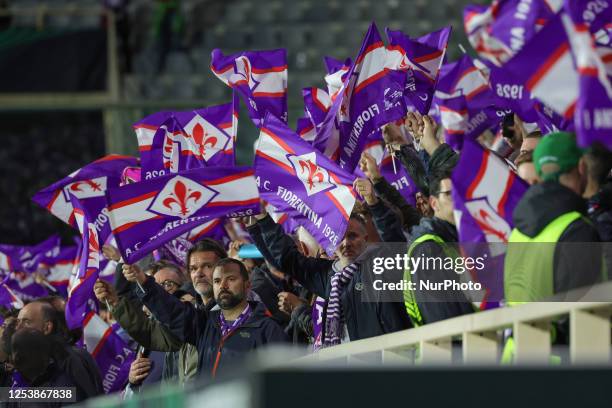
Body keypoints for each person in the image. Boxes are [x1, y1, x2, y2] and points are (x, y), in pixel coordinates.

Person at [247, 210, 411, 347]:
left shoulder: (382, 265)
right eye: (340, 237)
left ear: (365, 239)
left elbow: (395, 241)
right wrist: (263, 220)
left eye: (353, 236)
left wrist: (374, 202)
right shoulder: (327, 275)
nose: (346, 243)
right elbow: (287, 258)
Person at [122, 258, 288, 378]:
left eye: (230, 279)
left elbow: (283, 385)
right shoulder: (204, 323)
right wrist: (143, 281)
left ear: (247, 285)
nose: (223, 286)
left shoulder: (268, 329)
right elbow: (172, 311)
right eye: (216, 281)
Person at [505, 132, 604, 304]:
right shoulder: (577, 229)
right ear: (582, 166)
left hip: (523, 330)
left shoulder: (516, 232)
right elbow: (584, 312)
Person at [94, 260, 198, 387]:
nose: (160, 290)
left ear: (183, 288)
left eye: (167, 284)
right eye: (156, 285)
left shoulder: (193, 321)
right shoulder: (153, 329)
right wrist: (132, 381)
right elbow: (145, 331)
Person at [402, 170, 475, 327]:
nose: (459, 199)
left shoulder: (455, 238)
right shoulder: (428, 250)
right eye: (450, 194)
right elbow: (446, 321)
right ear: (434, 203)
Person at [15, 301, 103, 398]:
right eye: (18, 322)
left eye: (27, 322)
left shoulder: (70, 359)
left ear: (47, 328)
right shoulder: (40, 360)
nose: (18, 328)